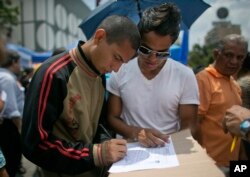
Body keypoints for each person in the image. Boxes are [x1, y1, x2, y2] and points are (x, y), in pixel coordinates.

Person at [21, 15, 141, 177]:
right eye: (117, 57)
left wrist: (107, 143)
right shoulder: (53, 74)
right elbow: (34, 145)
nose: (116, 69)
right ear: (99, 37)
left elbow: (99, 123)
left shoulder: (99, 76)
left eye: (122, 63)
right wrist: (96, 153)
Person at [107, 3, 199, 148]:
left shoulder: (185, 75)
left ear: (171, 45)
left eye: (162, 53)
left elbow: (189, 125)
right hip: (129, 151)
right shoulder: (121, 70)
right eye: (145, 49)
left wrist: (170, 146)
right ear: (138, 41)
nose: (153, 58)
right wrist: (136, 133)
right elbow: (112, 117)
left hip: (170, 150)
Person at [192, 34, 248, 176]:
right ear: (217, 54)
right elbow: (194, 123)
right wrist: (201, 158)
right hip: (211, 163)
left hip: (232, 164)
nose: (234, 61)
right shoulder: (204, 79)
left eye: (240, 57)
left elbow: (237, 127)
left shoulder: (235, 84)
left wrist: (242, 158)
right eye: (229, 55)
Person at [0, 50, 24, 177]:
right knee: (11, 164)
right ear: (13, 62)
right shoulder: (7, 79)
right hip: (8, 127)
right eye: (19, 63)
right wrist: (19, 129)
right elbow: (12, 110)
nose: (20, 66)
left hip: (6, 126)